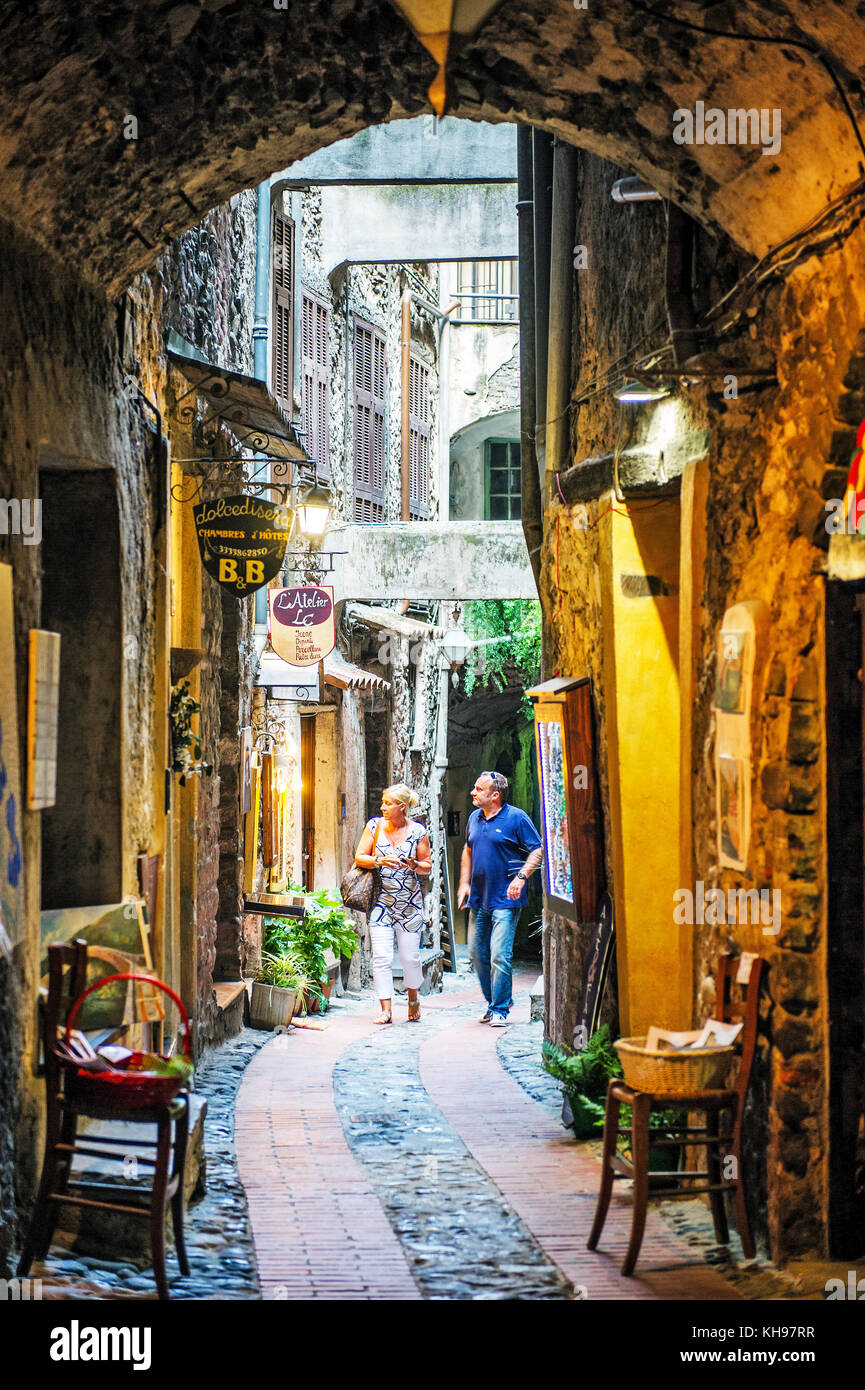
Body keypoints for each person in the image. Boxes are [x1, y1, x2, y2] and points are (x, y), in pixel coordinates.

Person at [457, 770, 542, 1026]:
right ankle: (496, 999)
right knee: (476, 953)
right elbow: (468, 849)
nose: (473, 792)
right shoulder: (474, 817)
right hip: (479, 898)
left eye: (478, 789)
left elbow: (537, 850)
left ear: (495, 795)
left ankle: (500, 1009)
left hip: (506, 899)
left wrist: (521, 877)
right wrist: (463, 883)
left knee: (499, 955)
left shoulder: (516, 818)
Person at [354, 784, 432, 1025]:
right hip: (381, 903)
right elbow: (359, 857)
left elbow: (427, 865)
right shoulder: (374, 826)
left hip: (409, 904)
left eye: (388, 803)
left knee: (410, 958)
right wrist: (379, 860)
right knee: (382, 957)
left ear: (402, 807)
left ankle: (412, 998)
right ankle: (385, 1008)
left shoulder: (418, 832)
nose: (383, 807)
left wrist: (414, 865)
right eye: (383, 802)